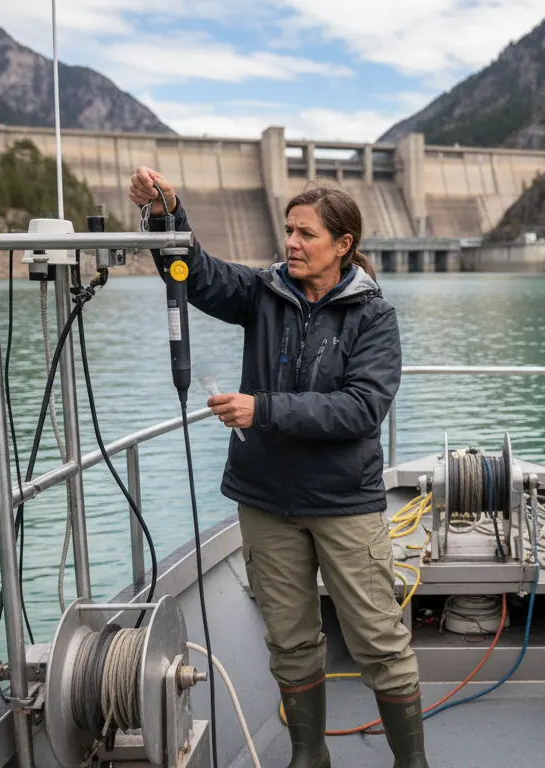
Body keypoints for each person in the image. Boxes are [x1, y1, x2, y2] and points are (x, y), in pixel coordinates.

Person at [129, 168, 429, 768]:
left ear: (342, 245)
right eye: (288, 230)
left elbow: (360, 409)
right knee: (289, 640)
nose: (291, 242)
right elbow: (197, 275)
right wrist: (167, 215)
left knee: (378, 640)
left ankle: (411, 762)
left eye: (305, 233)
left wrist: (260, 408)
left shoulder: (374, 317)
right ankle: (308, 756)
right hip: (266, 501)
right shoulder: (263, 292)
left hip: (344, 503)